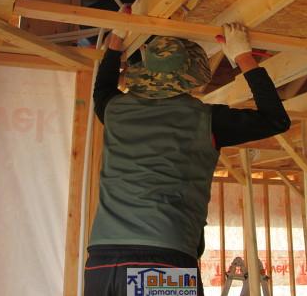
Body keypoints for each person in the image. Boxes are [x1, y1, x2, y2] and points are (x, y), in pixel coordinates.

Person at [84, 21, 292, 296]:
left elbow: (102, 90)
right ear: (192, 77)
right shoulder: (206, 120)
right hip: (160, 262)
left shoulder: (114, 110)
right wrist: (242, 54)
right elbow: (275, 119)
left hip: (102, 264)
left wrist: (116, 40)